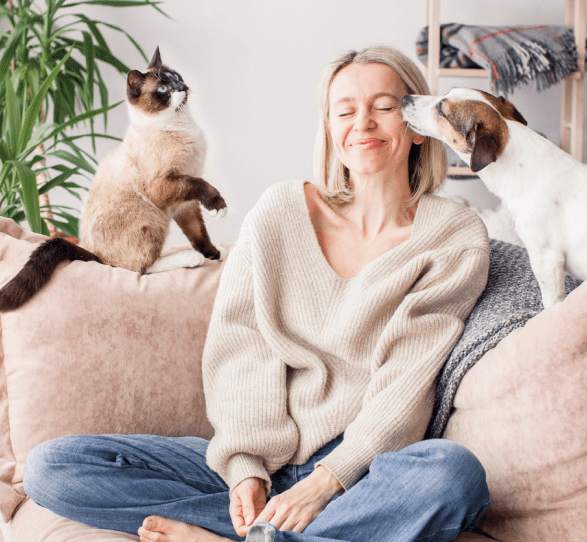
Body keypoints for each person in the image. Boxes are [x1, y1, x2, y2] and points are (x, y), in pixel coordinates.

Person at [23, 45, 491, 542]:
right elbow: (243, 345)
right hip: (265, 462)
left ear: (416, 122)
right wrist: (246, 468)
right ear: (330, 130)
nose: (363, 124)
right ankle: (270, 532)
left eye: (384, 106)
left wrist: (326, 484)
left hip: (362, 473)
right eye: (345, 110)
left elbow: (408, 381)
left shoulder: (454, 236)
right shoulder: (281, 210)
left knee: (453, 474)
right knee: (52, 466)